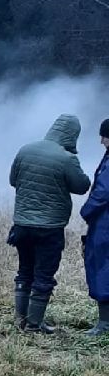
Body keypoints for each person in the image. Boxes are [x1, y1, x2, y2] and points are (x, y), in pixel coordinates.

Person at [9, 114, 91, 333]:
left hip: (22, 225)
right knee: (44, 275)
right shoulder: (66, 158)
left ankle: (20, 321)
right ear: (73, 135)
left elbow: (12, 180)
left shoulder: (25, 149)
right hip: (49, 228)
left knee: (24, 271)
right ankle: (34, 326)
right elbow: (82, 186)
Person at [81, 118, 109, 336]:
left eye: (105, 136)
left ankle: (104, 323)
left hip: (105, 224)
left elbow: (103, 192)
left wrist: (86, 211)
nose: (101, 141)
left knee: (102, 266)